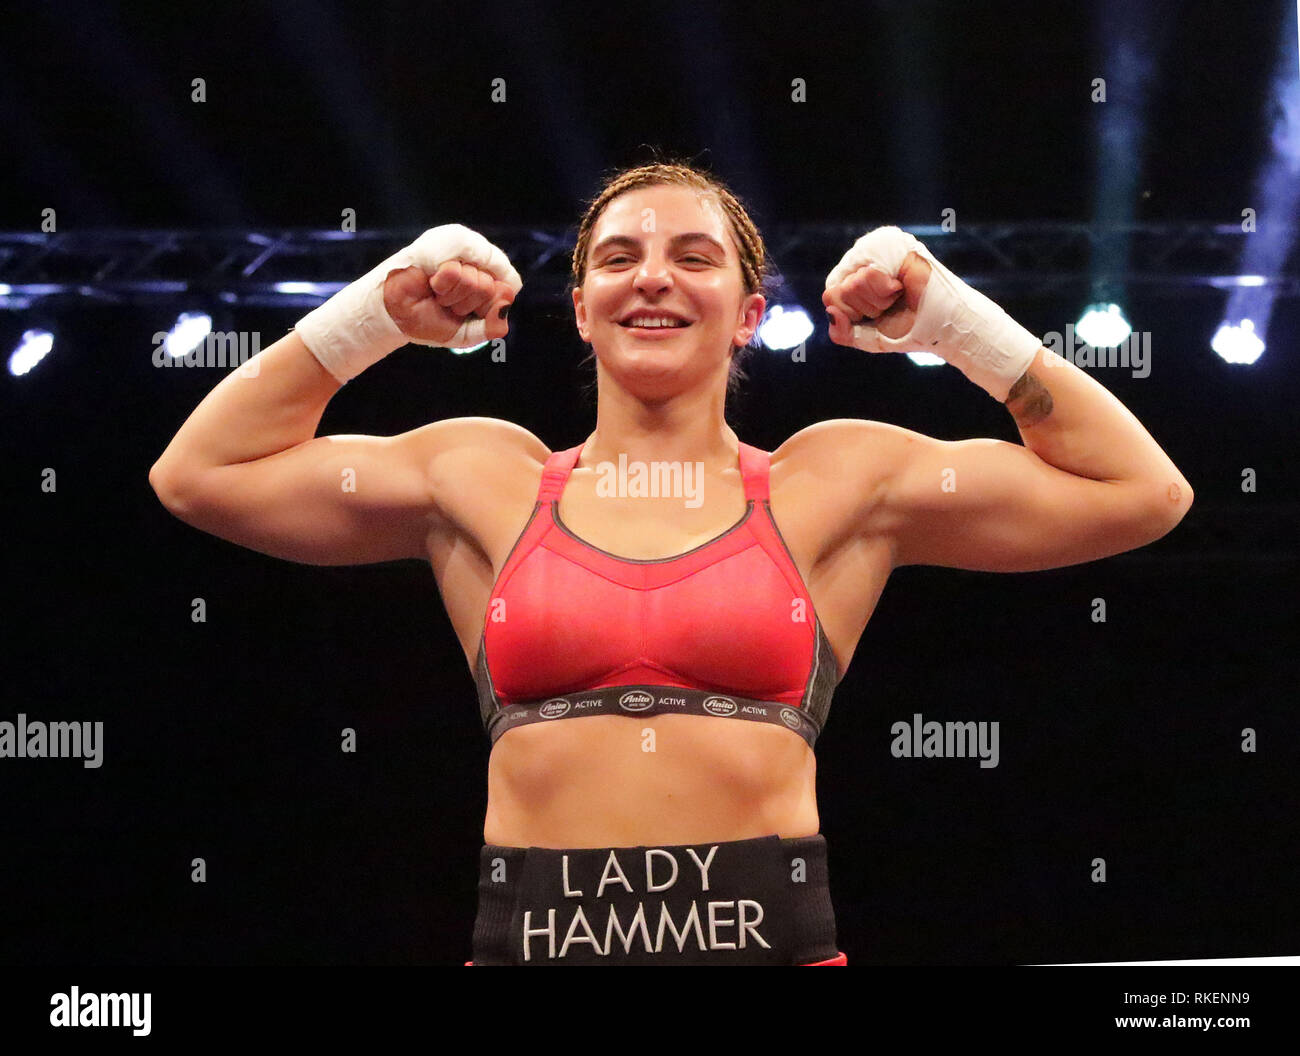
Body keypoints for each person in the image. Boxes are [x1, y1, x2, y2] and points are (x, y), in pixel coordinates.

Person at [148, 161, 1194, 965]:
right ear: (584, 307)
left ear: (746, 314)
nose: (652, 275)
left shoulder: (832, 482)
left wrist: (954, 323)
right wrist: (377, 309)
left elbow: (1142, 495)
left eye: (694, 257)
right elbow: (198, 473)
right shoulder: (482, 477)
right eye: (617, 258)